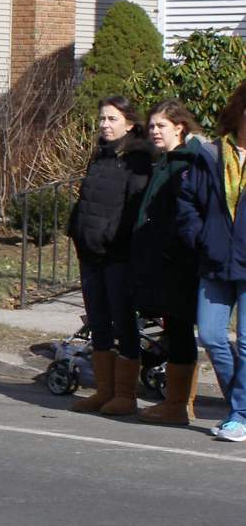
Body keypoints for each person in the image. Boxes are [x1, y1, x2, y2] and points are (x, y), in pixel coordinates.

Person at [68, 96, 153, 416]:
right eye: (102, 119)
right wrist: (78, 230)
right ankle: (103, 390)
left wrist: (113, 239)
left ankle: (125, 394)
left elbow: (133, 209)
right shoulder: (100, 155)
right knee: (99, 322)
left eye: (112, 119)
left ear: (129, 123)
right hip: (90, 252)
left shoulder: (137, 160)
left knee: (122, 322)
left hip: (116, 255)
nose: (105, 125)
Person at [177, 81, 246, 441]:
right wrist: (200, 237)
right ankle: (242, 401)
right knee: (212, 334)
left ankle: (239, 414)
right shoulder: (211, 154)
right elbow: (187, 201)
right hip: (216, 258)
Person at [129, 101, 204, 426]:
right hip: (161, 259)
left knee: (181, 328)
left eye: (161, 126)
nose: (154, 131)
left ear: (180, 127)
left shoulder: (188, 161)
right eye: (152, 126)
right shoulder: (164, 162)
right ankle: (178, 403)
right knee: (175, 328)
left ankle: (178, 405)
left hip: (179, 261)